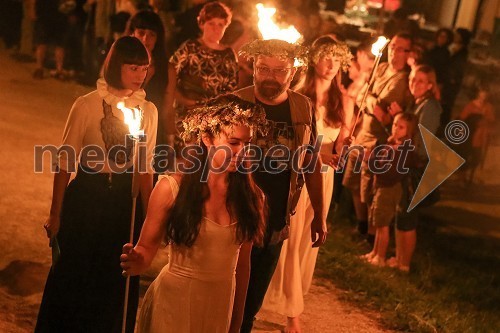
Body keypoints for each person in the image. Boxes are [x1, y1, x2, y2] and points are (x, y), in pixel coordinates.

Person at [35, 36, 158, 332]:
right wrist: (56, 213)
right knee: (74, 273)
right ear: (116, 67)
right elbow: (65, 162)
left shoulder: (147, 111)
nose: (139, 76)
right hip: (88, 197)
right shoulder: (87, 105)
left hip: (122, 204)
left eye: (144, 69)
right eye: (133, 68)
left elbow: (145, 166)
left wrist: (150, 219)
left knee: (115, 278)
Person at [120, 94, 268, 333]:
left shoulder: (253, 198)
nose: (243, 151)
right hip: (175, 302)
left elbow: (242, 265)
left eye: (248, 143)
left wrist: (237, 320)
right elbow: (146, 249)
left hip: (219, 305)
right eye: (233, 142)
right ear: (207, 138)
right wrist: (136, 260)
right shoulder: (172, 189)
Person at [262, 36, 353, 332]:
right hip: (300, 175)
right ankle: (292, 315)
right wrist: (321, 154)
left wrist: (343, 148)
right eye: (325, 57)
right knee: (289, 241)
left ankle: (289, 302)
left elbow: (337, 151)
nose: (330, 64)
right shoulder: (300, 97)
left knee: (305, 247)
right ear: (314, 59)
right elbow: (299, 145)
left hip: (323, 181)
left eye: (336, 59)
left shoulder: (346, 102)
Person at [236, 39, 327, 333]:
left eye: (279, 70)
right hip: (233, 218)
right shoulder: (234, 103)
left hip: (275, 221)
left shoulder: (302, 108)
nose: (270, 77)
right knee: (225, 299)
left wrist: (321, 216)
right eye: (263, 68)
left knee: (250, 306)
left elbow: (311, 164)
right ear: (253, 69)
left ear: (293, 72)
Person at [342, 32, 413, 243]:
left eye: (401, 49)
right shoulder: (381, 68)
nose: (395, 53)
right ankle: (361, 225)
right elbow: (364, 95)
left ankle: (373, 235)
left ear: (408, 53)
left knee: (370, 187)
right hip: (364, 131)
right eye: (393, 47)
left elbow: (388, 107)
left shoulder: (404, 79)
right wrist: (373, 104)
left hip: (381, 140)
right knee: (353, 182)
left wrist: (371, 101)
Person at [388, 64, 442, 272]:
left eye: (421, 80)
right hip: (409, 163)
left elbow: (421, 136)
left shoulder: (430, 107)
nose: (415, 84)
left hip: (418, 167)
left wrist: (402, 117)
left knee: (408, 214)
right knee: (401, 212)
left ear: (430, 84)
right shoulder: (417, 102)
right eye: (412, 79)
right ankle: (398, 257)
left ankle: (404, 264)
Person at [164, 1, 238, 147]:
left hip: (216, 122)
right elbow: (170, 74)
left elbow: (232, 91)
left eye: (220, 24)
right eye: (211, 23)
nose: (216, 29)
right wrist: (182, 99)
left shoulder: (229, 55)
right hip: (188, 118)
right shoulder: (190, 48)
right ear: (202, 23)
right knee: (188, 162)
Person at [361, 112, 417, 267]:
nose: (396, 129)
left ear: (409, 130)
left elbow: (391, 172)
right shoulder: (392, 145)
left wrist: (370, 159)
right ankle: (375, 251)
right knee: (378, 221)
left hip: (388, 189)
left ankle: (380, 256)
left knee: (383, 223)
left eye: (401, 127)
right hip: (381, 187)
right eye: (394, 125)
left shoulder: (403, 150)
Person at [126, 10, 170, 173]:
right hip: (124, 131)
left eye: (152, 34)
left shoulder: (166, 68)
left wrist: (170, 139)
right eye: (141, 33)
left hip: (154, 132)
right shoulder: (121, 64)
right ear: (132, 33)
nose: (146, 39)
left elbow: (167, 107)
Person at [458, 84, 495, 185]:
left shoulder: (489, 107)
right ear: (479, 94)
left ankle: (469, 176)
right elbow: (462, 119)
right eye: (482, 95)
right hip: (469, 135)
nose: (484, 97)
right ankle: (462, 178)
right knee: (465, 157)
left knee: (477, 158)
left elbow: (491, 120)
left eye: (486, 95)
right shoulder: (471, 105)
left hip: (481, 137)